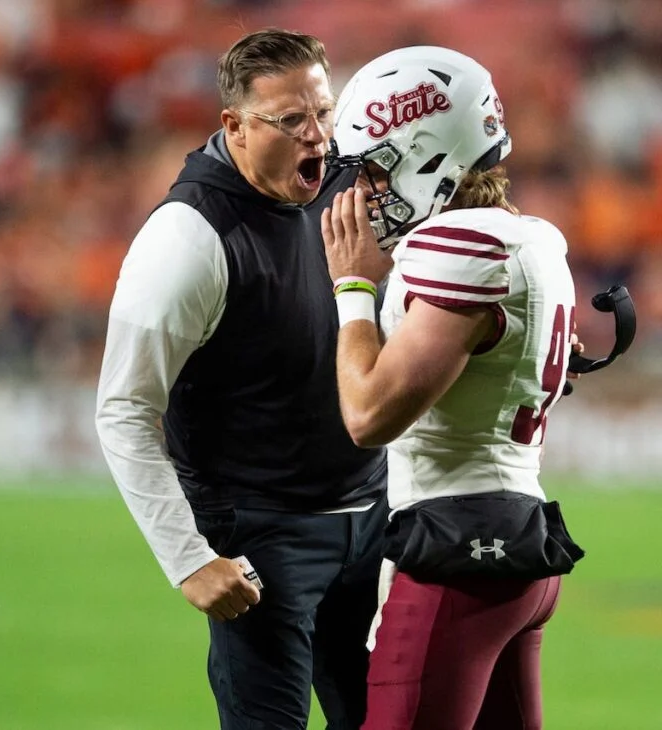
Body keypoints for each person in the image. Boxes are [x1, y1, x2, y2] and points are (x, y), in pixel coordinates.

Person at [95, 29, 387, 730]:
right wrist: (188, 559)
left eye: (324, 112)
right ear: (235, 126)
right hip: (264, 536)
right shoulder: (187, 238)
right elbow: (124, 409)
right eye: (291, 119)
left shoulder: (347, 182)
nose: (318, 135)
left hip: (373, 520)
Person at [320, 47, 586, 730]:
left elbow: (369, 416)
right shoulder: (530, 239)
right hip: (517, 543)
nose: (368, 190)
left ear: (428, 155)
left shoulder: (460, 246)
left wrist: (352, 287)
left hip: (457, 551)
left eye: (378, 168)